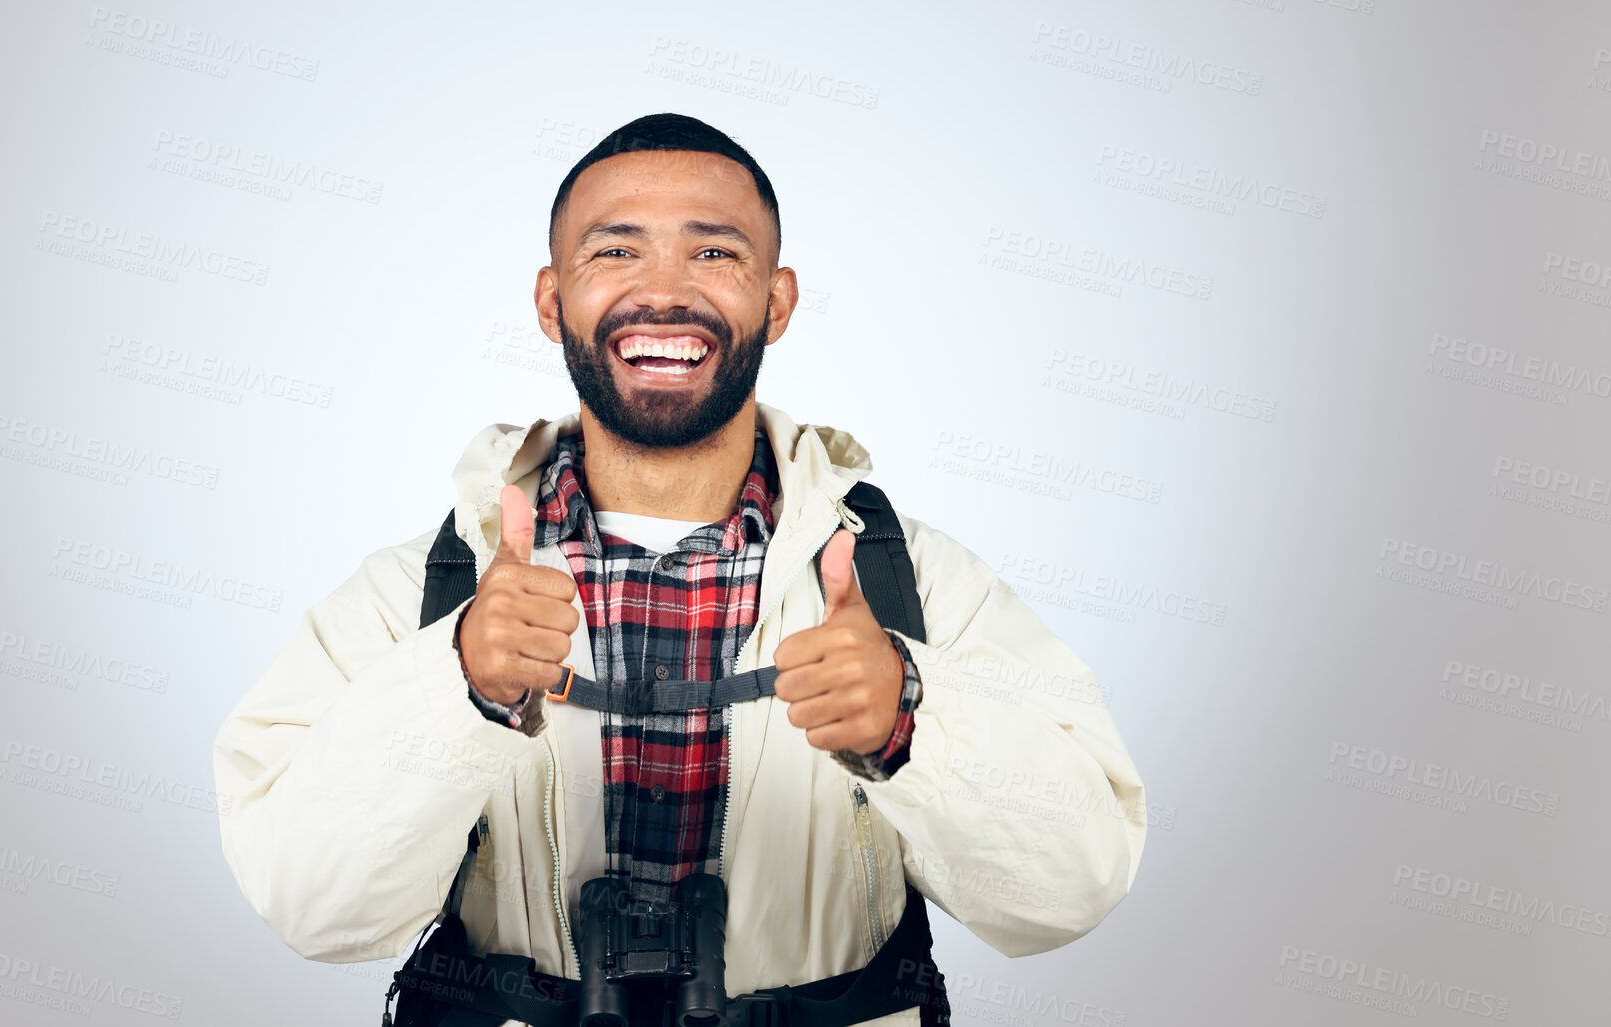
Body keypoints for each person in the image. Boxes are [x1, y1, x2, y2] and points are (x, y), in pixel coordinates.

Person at [211, 113, 1147, 1027]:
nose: (664, 291)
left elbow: (1070, 891)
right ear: (550, 300)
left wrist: (913, 714)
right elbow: (310, 908)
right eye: (614, 251)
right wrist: (453, 684)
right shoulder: (424, 593)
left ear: (776, 301)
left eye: (714, 253)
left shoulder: (911, 584)